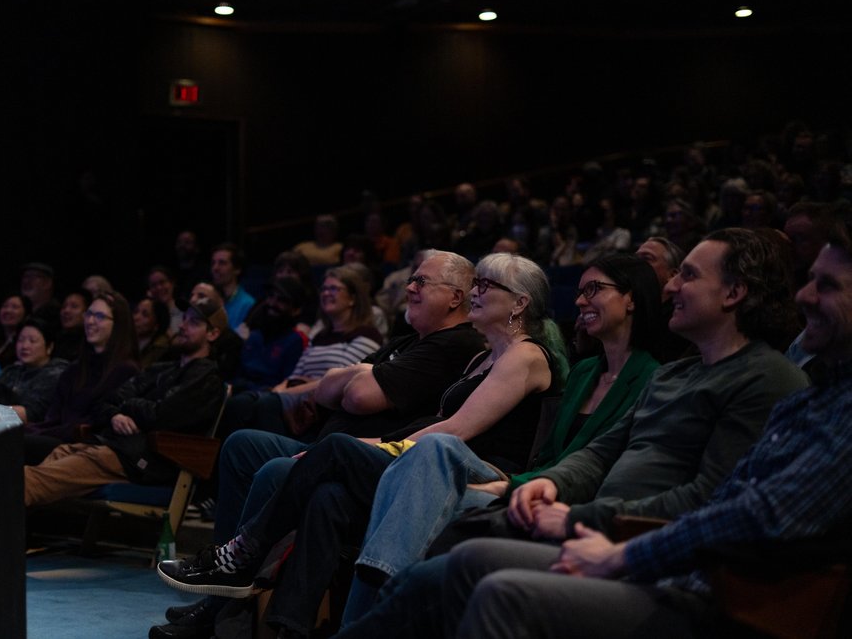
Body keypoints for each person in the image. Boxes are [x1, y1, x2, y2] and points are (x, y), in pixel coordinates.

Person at [333, 228, 811, 639]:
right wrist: (552, 483)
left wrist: (577, 512)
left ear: (733, 293)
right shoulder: (676, 375)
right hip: (581, 516)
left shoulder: (763, 378)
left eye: (688, 275)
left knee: (451, 553)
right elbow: (602, 453)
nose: (669, 287)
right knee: (424, 542)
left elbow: (711, 497)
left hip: (640, 547)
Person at [156, 253, 566, 639]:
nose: (475, 291)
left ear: (519, 303)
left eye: (486, 284)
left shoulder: (525, 355)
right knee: (329, 497)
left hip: (470, 475)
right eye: (474, 283)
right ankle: (288, 628)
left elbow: (454, 431)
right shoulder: (484, 359)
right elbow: (433, 424)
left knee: (333, 448)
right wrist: (371, 443)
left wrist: (365, 447)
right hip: (434, 461)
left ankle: (240, 555)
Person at [338, 254, 664, 625]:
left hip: (558, 500)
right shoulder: (585, 371)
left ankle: (374, 606)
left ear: (632, 298)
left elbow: (600, 466)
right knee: (395, 479)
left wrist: (509, 486)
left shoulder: (653, 380)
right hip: (529, 485)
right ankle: (372, 610)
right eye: (579, 291)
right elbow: (551, 455)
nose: (579, 301)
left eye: (594, 289)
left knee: (434, 450)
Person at [24, 299, 228, 505]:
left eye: (193, 323)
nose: (182, 326)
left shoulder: (206, 380)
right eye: (184, 320)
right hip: (117, 448)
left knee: (33, 480)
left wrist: (128, 406)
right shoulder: (162, 370)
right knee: (56, 457)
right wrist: (115, 415)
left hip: (144, 460)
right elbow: (106, 402)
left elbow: (161, 415)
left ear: (213, 334)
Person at [221, 265, 383, 440]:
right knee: (239, 403)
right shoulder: (320, 336)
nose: (326, 293)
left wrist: (286, 392)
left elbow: (347, 379)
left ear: (352, 298)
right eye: (325, 288)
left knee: (267, 404)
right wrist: (283, 387)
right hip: (300, 394)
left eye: (334, 288)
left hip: (326, 403)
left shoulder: (367, 334)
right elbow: (297, 373)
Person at [23, 292, 139, 464]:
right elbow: (53, 418)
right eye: (89, 314)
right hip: (57, 437)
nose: (90, 321)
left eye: (99, 316)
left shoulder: (125, 371)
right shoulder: (75, 369)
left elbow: (94, 424)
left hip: (83, 446)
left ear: (118, 324)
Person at [0, 317, 68, 424]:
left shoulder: (55, 374)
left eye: (32, 341)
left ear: (49, 347)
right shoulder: (12, 371)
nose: (24, 346)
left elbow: (30, 414)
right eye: (21, 340)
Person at [231, 277, 308, 392]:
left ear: (296, 310)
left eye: (281, 300)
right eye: (271, 296)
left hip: (265, 399)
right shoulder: (254, 335)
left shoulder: (295, 341)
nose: (272, 303)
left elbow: (285, 385)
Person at [211, 242, 256, 333]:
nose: (215, 268)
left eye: (222, 263)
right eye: (213, 263)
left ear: (237, 269)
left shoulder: (247, 304)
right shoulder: (210, 300)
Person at [0, 292, 33, 367]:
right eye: (5, 306)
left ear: (26, 314)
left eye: (15, 307)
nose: (8, 311)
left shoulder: (25, 343)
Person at [52, 288, 91, 361]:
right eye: (64, 306)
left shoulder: (89, 343)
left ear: (86, 313)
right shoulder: (55, 339)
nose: (66, 311)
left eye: (74, 306)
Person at [134, 296, 172, 369]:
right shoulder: (126, 339)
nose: (136, 317)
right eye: (136, 312)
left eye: (145, 315)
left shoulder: (160, 349)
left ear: (157, 325)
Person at [146, 265, 185, 338]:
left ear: (172, 283)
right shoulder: (148, 317)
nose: (159, 288)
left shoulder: (184, 312)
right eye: (153, 285)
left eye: (162, 282)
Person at [20, 262, 61, 327]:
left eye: (32, 277)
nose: (26, 281)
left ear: (48, 283)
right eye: (25, 277)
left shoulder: (56, 315)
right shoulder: (23, 315)